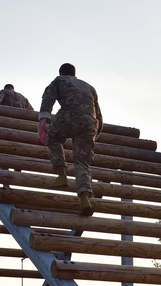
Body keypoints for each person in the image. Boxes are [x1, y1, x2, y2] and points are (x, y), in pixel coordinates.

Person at [37, 63, 103, 217]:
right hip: (89, 124)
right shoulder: (89, 87)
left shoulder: (59, 81)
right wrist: (93, 136)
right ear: (75, 74)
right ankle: (85, 199)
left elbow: (48, 99)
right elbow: (98, 115)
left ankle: (61, 174)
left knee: (53, 138)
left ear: (61, 73)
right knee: (82, 163)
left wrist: (42, 125)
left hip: (68, 116)